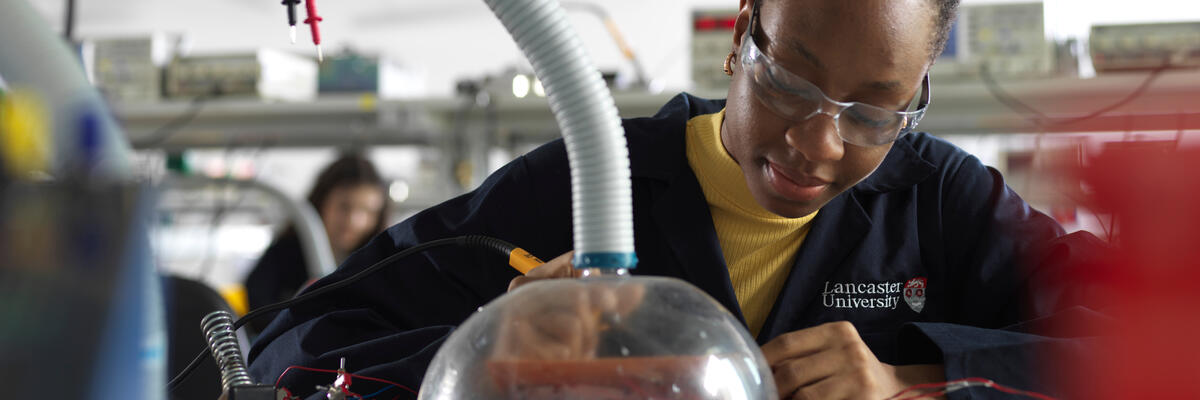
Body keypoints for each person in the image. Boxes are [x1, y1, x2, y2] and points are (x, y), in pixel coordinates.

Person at [247, 1, 1105, 398]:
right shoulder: (587, 181)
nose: (819, 143)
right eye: (792, 84)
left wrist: (912, 379)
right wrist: (492, 351)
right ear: (742, 35)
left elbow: (1148, 344)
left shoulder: (942, 202)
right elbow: (285, 348)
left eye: (876, 111)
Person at [243, 152, 389, 333]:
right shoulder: (282, 256)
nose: (354, 221)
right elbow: (258, 312)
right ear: (322, 202)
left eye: (367, 211)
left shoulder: (378, 265)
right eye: (344, 206)